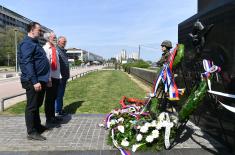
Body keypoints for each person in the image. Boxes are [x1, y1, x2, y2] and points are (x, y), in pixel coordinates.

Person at [18, 22, 50, 141]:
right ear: (32, 30)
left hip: (41, 79)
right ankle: (31, 132)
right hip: (33, 80)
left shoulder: (35, 43)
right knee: (32, 106)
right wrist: (35, 81)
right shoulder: (27, 43)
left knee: (37, 104)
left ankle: (37, 126)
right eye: (39, 30)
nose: (41, 32)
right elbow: (27, 63)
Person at [43, 32, 62, 126]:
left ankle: (53, 116)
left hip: (56, 77)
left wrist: (59, 76)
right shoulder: (46, 49)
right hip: (50, 78)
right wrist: (49, 79)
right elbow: (46, 65)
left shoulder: (55, 49)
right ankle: (48, 119)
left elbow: (57, 64)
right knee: (49, 99)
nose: (55, 39)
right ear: (48, 38)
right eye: (53, 37)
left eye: (55, 37)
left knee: (54, 98)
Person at [55, 36, 70, 116]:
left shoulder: (63, 51)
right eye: (63, 42)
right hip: (60, 77)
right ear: (58, 42)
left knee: (61, 94)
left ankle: (60, 109)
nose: (64, 43)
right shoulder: (57, 50)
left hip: (64, 77)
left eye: (65, 42)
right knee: (58, 94)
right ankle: (57, 111)